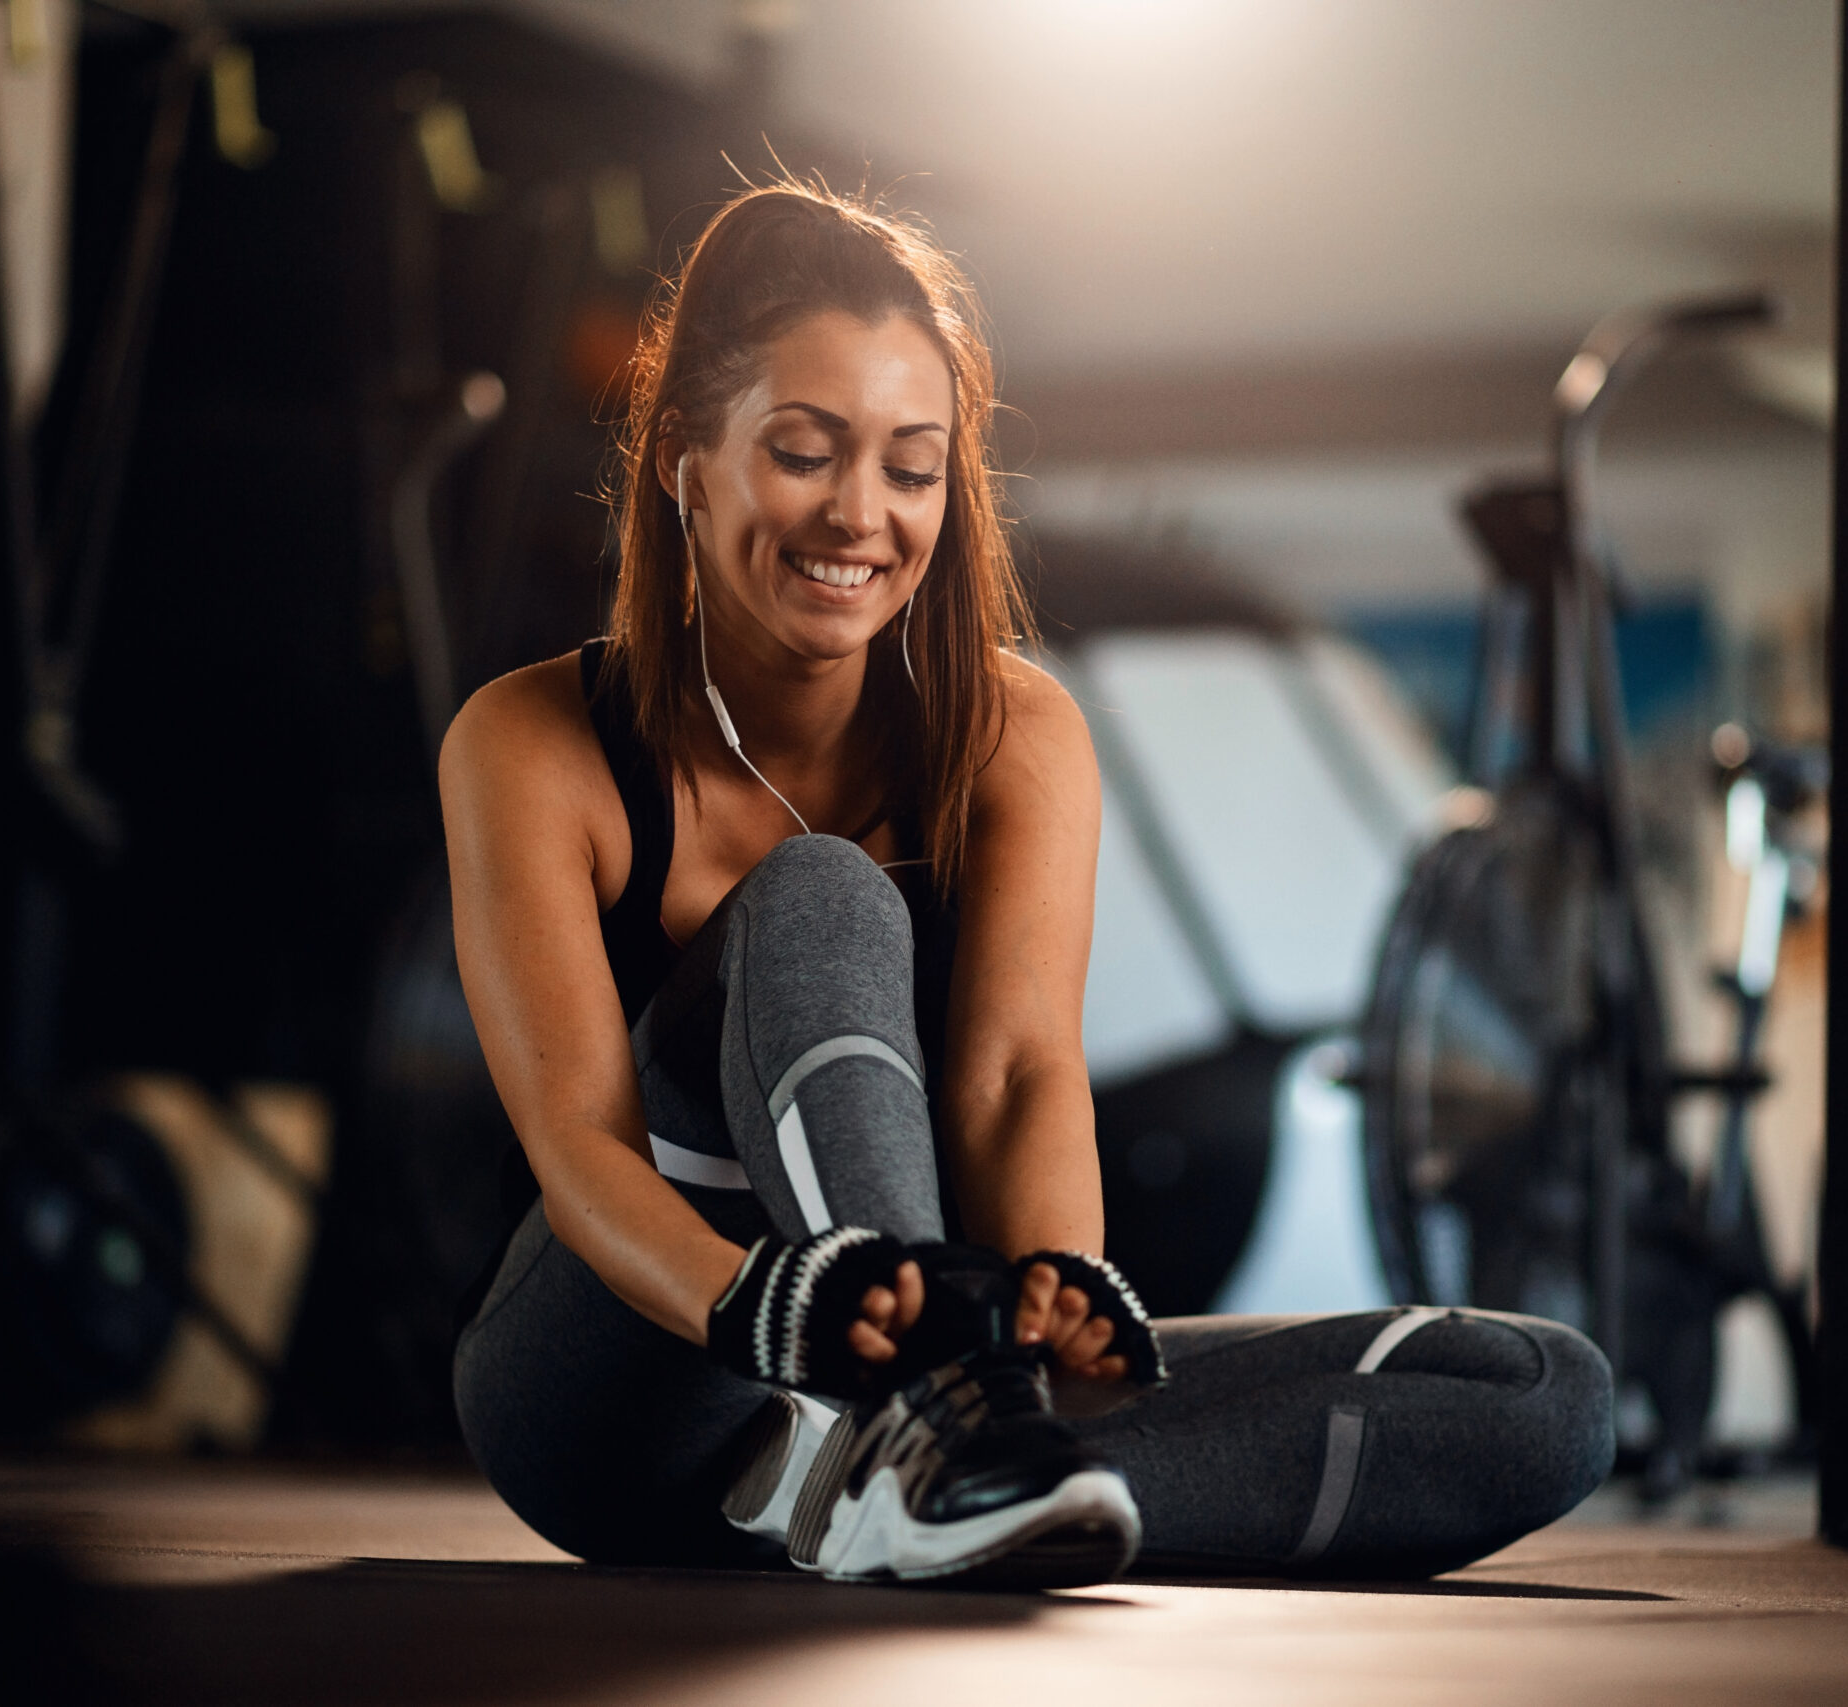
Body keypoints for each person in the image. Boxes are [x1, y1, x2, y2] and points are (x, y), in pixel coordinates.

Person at [444, 181, 1614, 1587]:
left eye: (911, 467)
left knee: (1530, 1396)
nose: (860, 514)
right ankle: (922, 1439)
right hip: (621, 1392)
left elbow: (1016, 1078)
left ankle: (913, 1483)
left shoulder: (1015, 734)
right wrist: (786, 1317)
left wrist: (1057, 1283)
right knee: (821, 897)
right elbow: (580, 1155)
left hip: (912, 1384)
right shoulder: (533, 744)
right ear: (688, 459)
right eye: (806, 452)